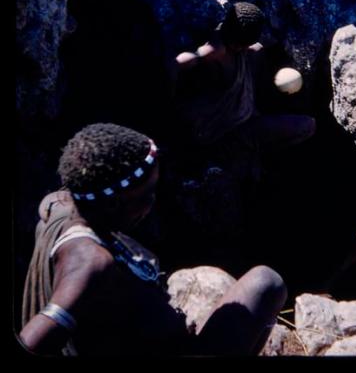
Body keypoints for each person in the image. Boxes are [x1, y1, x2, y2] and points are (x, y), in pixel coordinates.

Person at [19, 122, 287, 356]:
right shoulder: (90, 263)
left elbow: (55, 199)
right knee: (266, 283)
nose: (152, 202)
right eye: (146, 195)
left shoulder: (63, 205)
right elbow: (33, 340)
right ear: (112, 204)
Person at [172, 1, 316, 164]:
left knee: (258, 52)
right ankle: (251, 160)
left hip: (240, 112)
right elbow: (184, 60)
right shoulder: (217, 52)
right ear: (240, 42)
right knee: (307, 126)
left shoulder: (237, 45)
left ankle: (262, 110)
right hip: (225, 134)